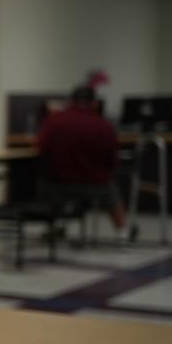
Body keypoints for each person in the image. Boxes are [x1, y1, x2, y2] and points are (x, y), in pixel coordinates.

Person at [37, 85, 132, 235]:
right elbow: (112, 159)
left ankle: (55, 226)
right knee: (111, 188)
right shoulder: (103, 126)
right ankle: (122, 231)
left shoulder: (53, 121)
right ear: (95, 103)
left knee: (44, 184)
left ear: (70, 101)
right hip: (96, 185)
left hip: (58, 184)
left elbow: (42, 148)